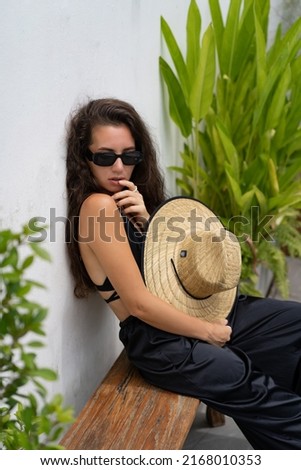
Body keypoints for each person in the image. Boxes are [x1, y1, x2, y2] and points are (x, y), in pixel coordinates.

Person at [65, 97, 301, 450]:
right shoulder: (97, 207)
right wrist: (208, 332)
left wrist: (146, 221)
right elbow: (140, 304)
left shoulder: (132, 201)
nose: (118, 167)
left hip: (197, 307)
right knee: (247, 382)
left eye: (129, 156)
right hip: (161, 339)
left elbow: (173, 266)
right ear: (85, 159)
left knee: (293, 324)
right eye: (105, 157)